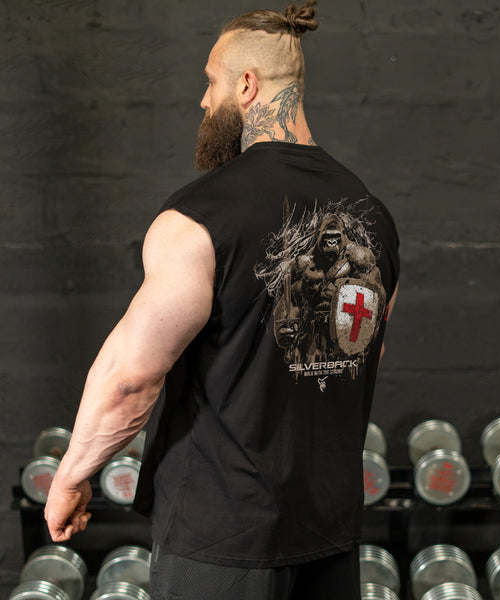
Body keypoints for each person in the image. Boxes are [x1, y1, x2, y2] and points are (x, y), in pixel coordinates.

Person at [44, 1, 399, 598]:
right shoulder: (374, 217)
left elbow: (130, 380)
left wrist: (72, 475)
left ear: (247, 85)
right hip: (328, 534)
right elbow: (364, 354)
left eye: (211, 83)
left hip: (220, 543)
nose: (203, 101)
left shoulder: (198, 217)